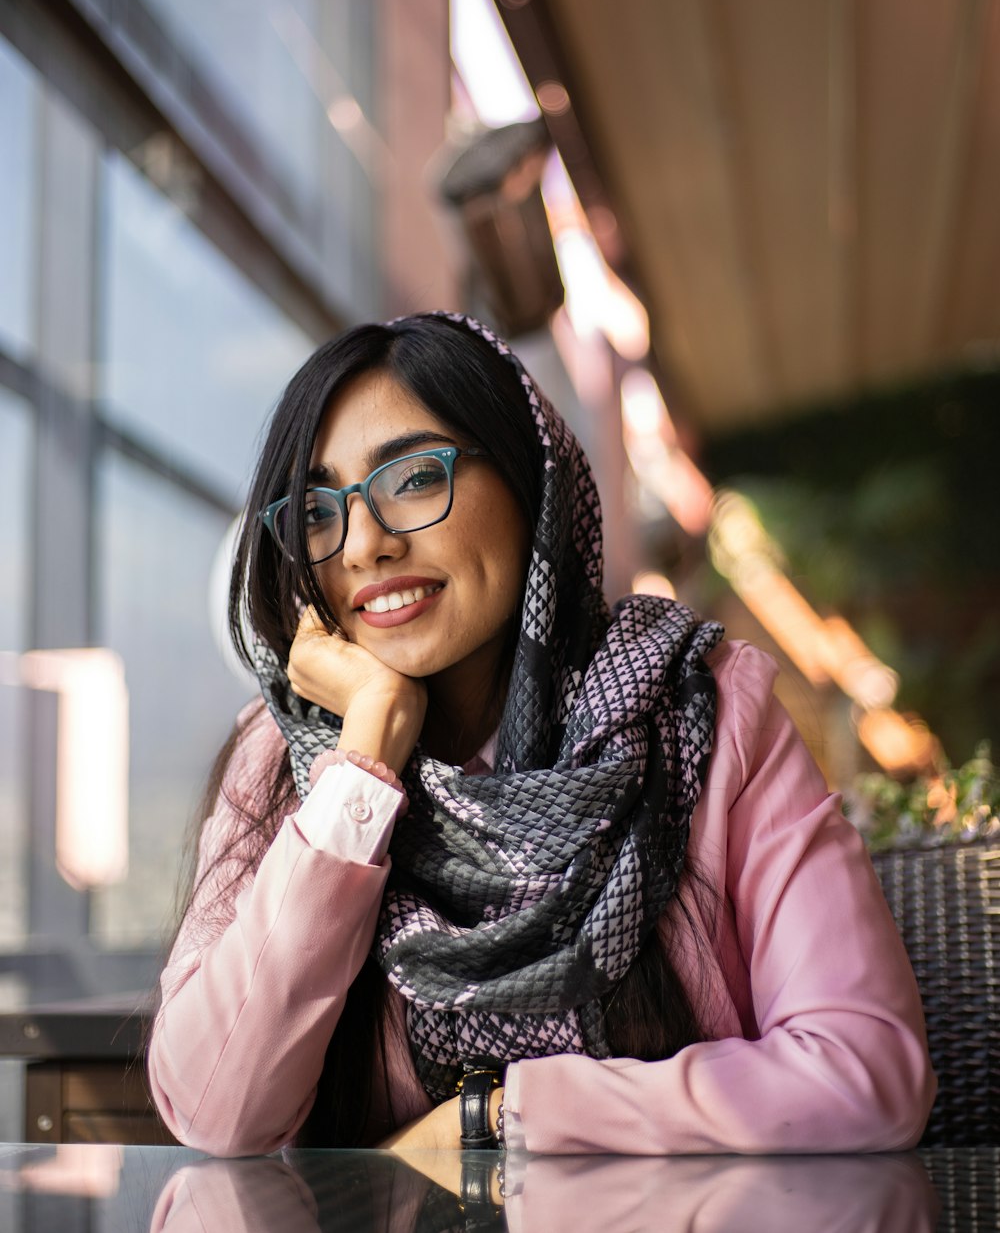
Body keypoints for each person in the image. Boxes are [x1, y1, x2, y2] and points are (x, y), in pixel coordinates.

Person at [147, 311, 935, 1157]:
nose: (364, 545)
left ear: (532, 483)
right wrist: (363, 759)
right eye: (316, 513)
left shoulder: (697, 711)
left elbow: (867, 1073)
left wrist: (504, 1117)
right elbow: (214, 1114)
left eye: (413, 478)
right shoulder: (283, 763)